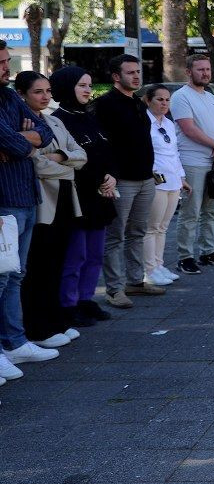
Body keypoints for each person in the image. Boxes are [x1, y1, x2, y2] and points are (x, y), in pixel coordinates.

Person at [0, 40, 59, 378]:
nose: (7, 68)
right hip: (5, 198)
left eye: (7, 60)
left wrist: (22, 140)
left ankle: (14, 342)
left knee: (16, 274)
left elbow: (44, 131)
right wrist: (21, 140)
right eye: (2, 62)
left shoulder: (9, 96)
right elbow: (10, 140)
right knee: (2, 275)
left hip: (25, 194)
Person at [16, 72, 86, 349]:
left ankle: (56, 320)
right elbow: (35, 164)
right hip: (44, 201)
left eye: (47, 90)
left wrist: (58, 158)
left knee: (58, 262)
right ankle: (38, 327)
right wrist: (66, 167)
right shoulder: (21, 123)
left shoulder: (55, 120)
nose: (45, 96)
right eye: (38, 92)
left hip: (66, 198)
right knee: (38, 267)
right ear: (23, 94)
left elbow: (81, 155)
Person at [90, 54, 162, 309]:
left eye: (137, 72)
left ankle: (135, 281)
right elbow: (101, 145)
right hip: (121, 181)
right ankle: (114, 289)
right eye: (130, 72)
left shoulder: (139, 103)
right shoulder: (105, 105)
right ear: (116, 76)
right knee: (115, 236)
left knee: (137, 233)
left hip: (145, 178)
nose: (136, 76)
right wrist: (108, 176)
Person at [49, 66, 117, 327]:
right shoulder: (58, 120)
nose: (88, 90)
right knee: (75, 255)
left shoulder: (90, 117)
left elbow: (107, 150)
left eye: (89, 85)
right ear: (67, 87)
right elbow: (70, 160)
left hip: (101, 196)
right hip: (77, 197)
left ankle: (86, 298)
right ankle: (68, 303)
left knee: (95, 254)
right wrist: (99, 180)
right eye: (82, 85)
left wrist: (111, 175)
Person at [171, 54, 214, 274]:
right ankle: (185, 256)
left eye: (207, 69)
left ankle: (209, 251)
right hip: (193, 161)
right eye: (200, 70)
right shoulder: (181, 97)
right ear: (188, 72)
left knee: (212, 209)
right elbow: (189, 129)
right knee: (191, 211)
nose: (205, 73)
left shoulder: (211, 95)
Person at [142, 85, 188, 286]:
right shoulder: (144, 123)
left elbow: (174, 153)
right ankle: (149, 269)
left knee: (163, 227)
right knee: (151, 227)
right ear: (148, 100)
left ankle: (159, 265)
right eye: (159, 99)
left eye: (167, 100)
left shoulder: (168, 124)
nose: (164, 103)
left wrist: (181, 177)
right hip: (156, 180)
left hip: (172, 179)